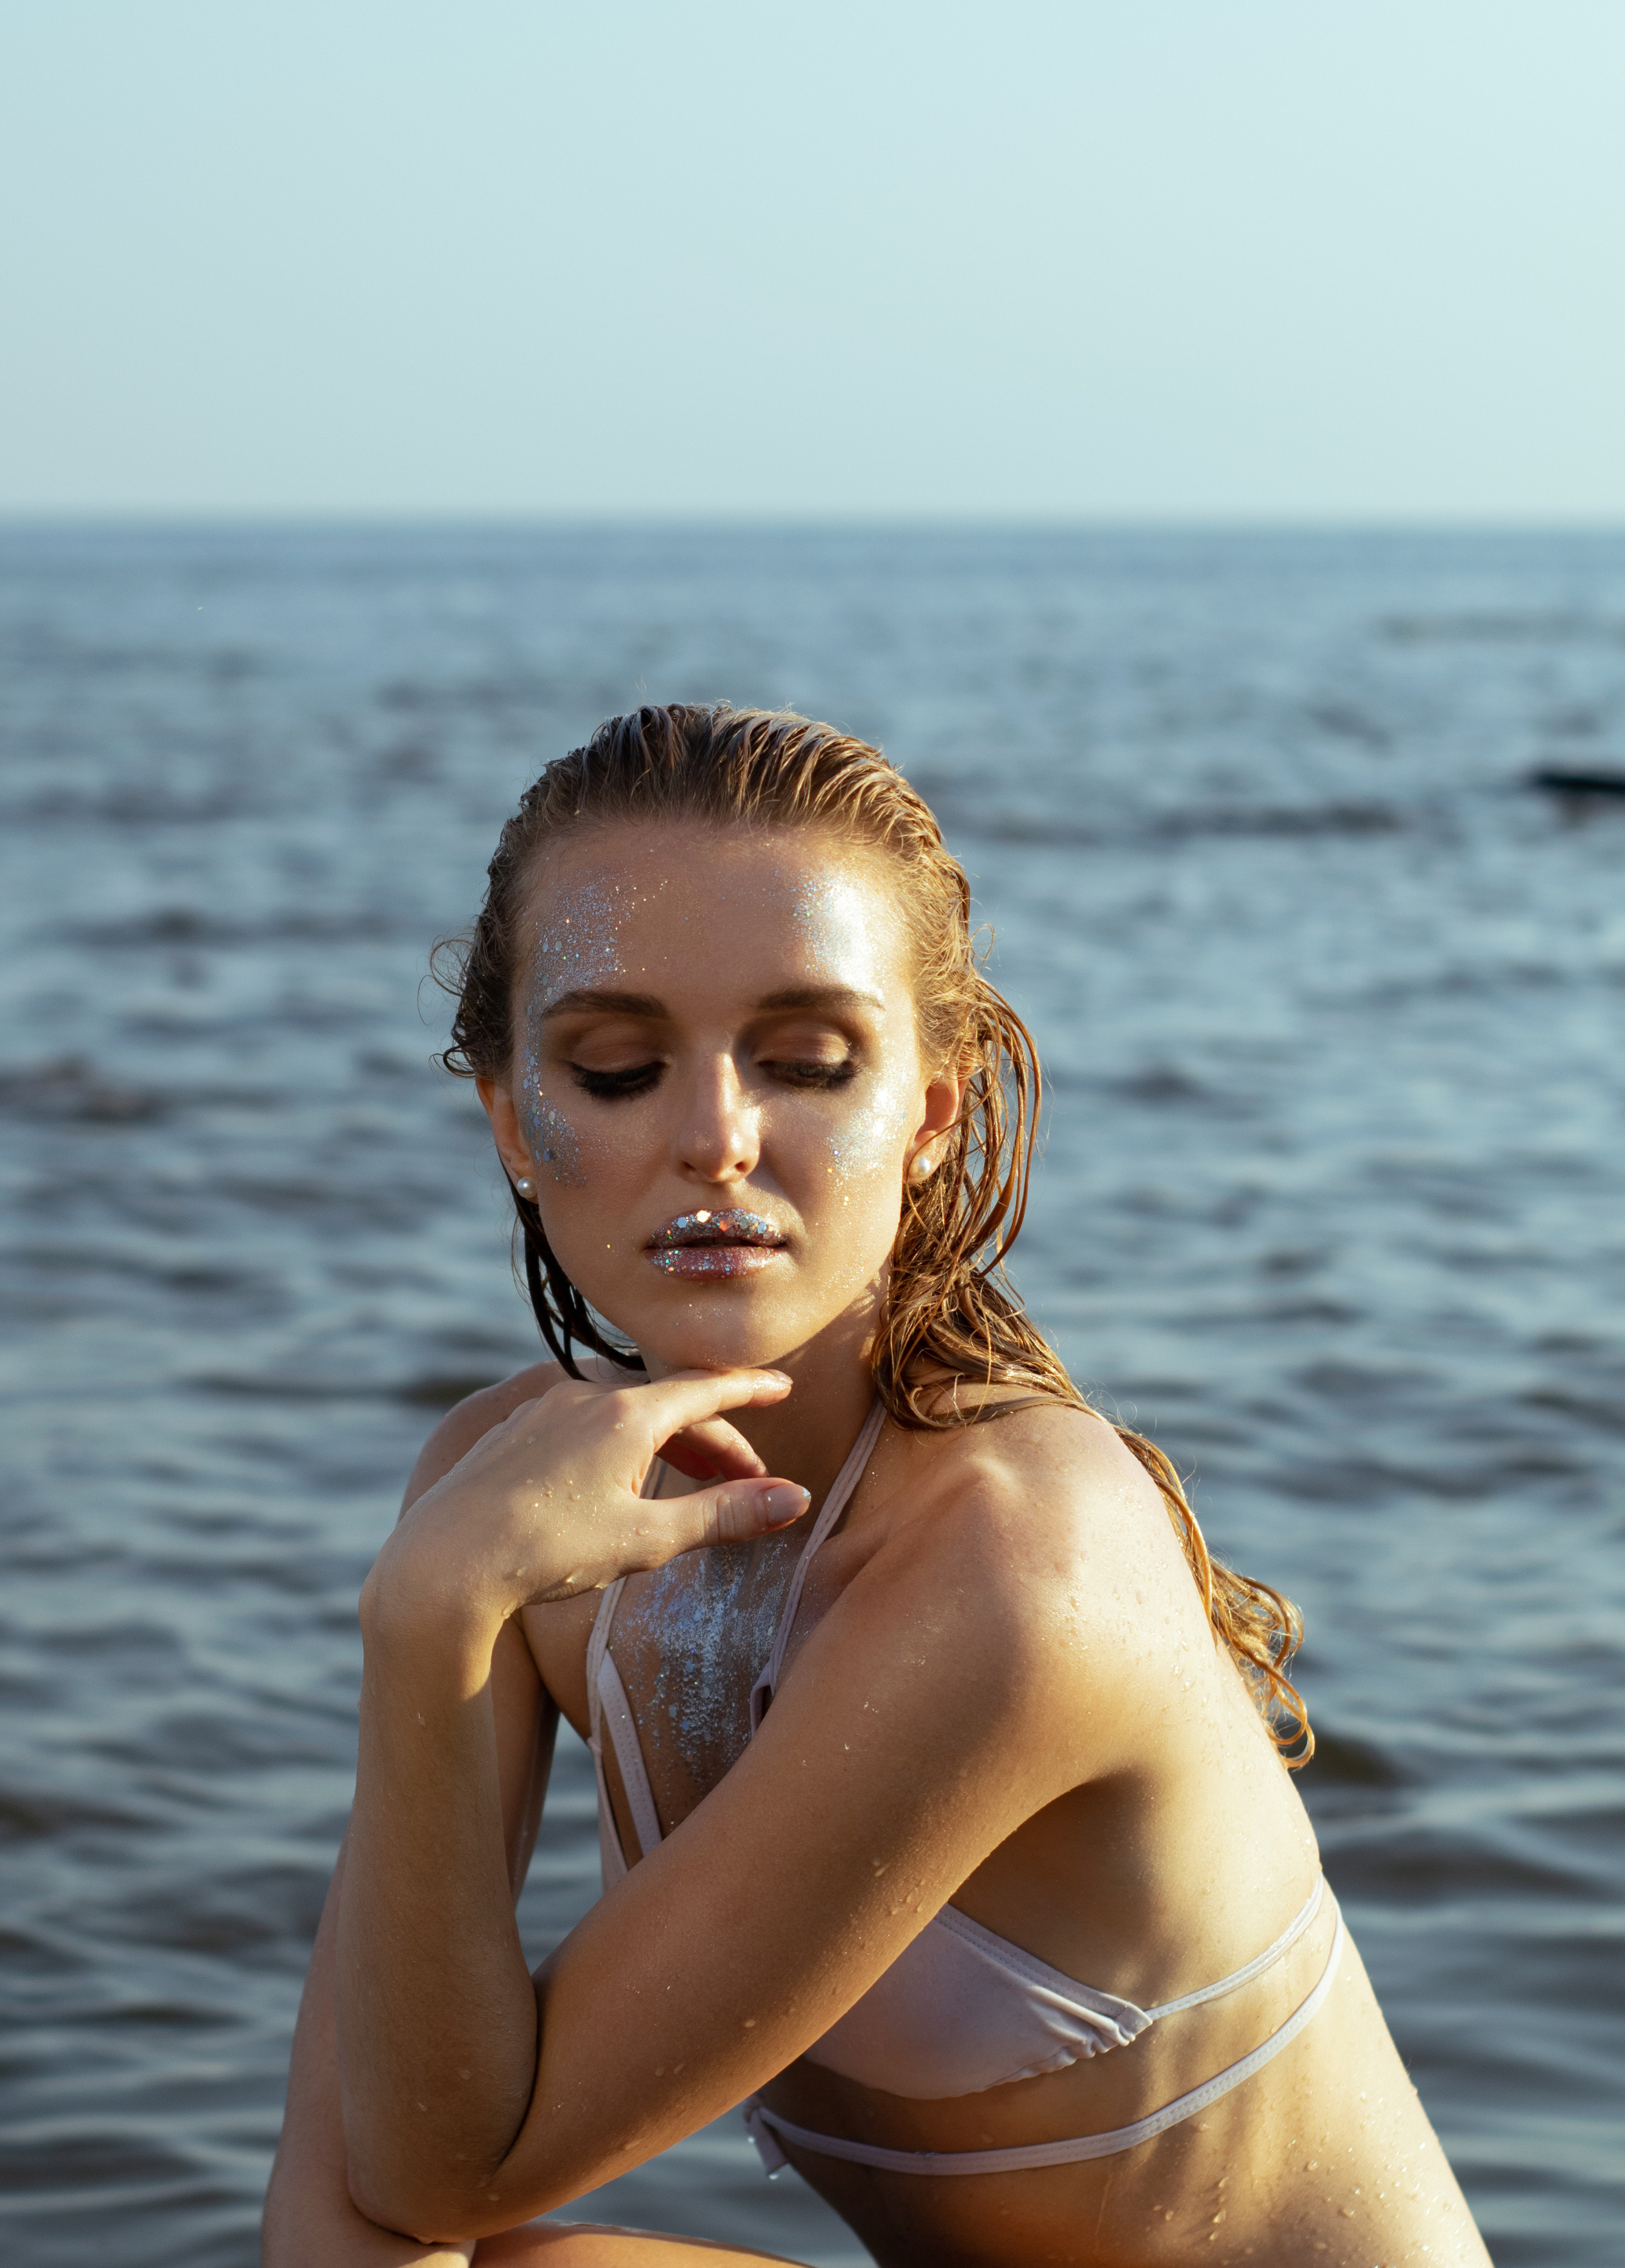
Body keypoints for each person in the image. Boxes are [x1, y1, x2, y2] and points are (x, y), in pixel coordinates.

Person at [263, 705, 1491, 2267]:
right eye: (620, 1066)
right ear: (512, 1118)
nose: (714, 1138)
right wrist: (438, 1604)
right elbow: (354, 2189)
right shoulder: (504, 1505)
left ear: (929, 1111)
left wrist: (424, 1624)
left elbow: (449, 2174)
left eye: (804, 1061)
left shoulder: (1012, 1571)